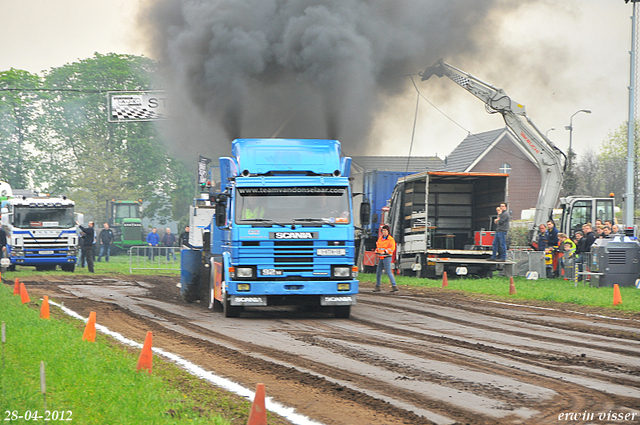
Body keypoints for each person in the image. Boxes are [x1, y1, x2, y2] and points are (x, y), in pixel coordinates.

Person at [374, 225, 398, 293]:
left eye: (385, 231)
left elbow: (392, 248)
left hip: (387, 257)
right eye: (383, 230)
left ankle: (394, 286)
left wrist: (384, 252)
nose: (384, 232)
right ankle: (377, 286)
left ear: (388, 231)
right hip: (381, 257)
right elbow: (378, 247)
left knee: (388, 272)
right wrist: (377, 251)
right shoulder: (380, 239)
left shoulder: (391, 239)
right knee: (378, 272)